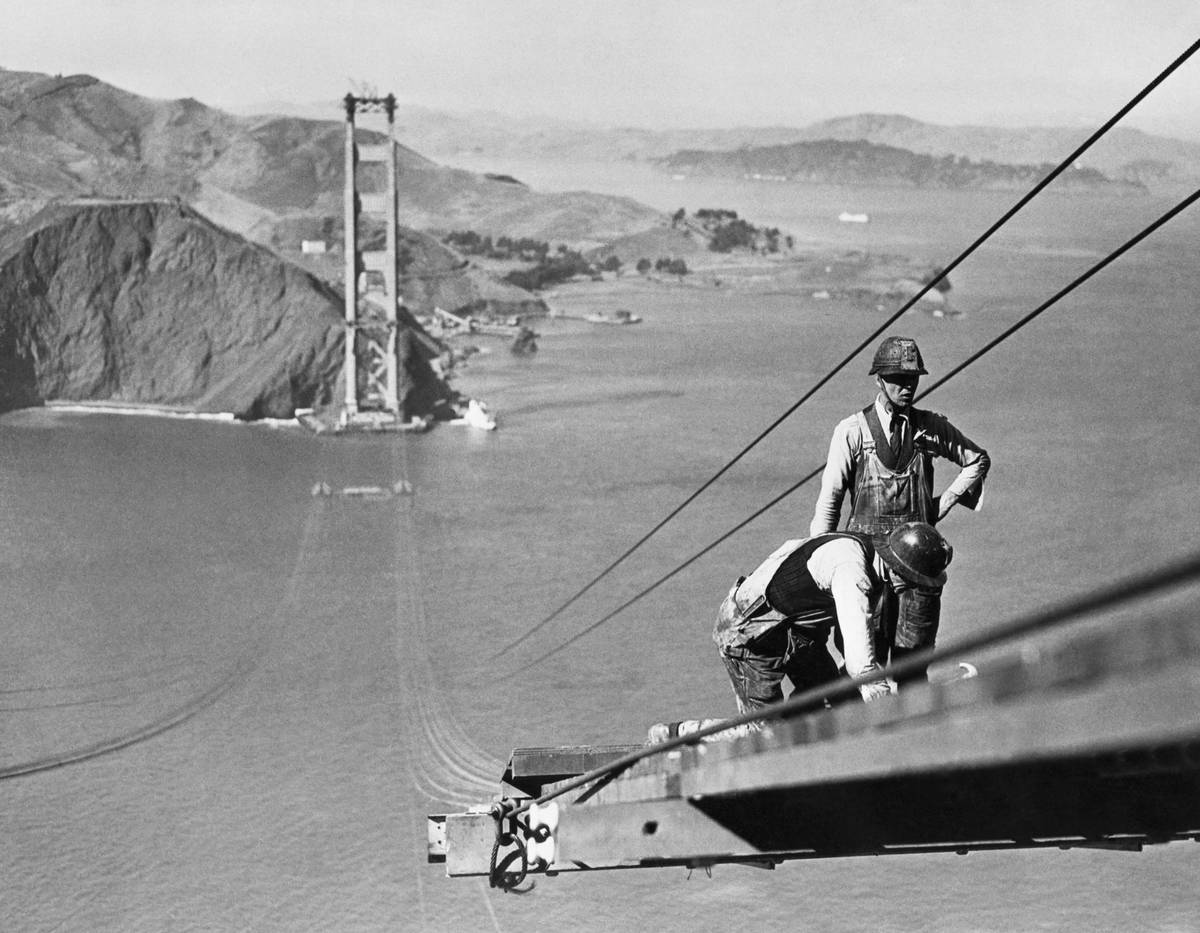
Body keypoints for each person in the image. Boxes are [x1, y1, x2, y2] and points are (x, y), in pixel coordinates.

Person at [646, 525, 953, 745]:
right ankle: (676, 734)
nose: (911, 589)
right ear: (896, 569)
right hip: (749, 636)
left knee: (838, 706)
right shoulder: (852, 573)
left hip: (795, 633)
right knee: (765, 739)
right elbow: (861, 665)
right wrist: (888, 708)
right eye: (912, 581)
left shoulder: (867, 548)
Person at [810, 336, 989, 680]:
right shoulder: (851, 433)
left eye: (912, 380)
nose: (907, 387)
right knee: (862, 666)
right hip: (868, 569)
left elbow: (976, 459)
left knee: (914, 665)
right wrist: (822, 571)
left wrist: (944, 503)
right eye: (897, 379)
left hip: (918, 567)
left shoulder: (929, 429)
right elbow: (828, 505)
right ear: (879, 380)